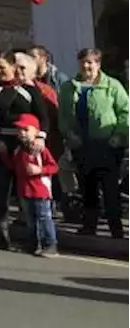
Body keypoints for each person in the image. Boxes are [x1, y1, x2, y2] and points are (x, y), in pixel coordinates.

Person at [0, 50, 49, 250]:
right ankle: (2, 237)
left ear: (13, 67)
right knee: (0, 193)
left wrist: (40, 138)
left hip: (24, 147)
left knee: (27, 196)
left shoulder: (30, 90)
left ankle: (34, 239)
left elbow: (43, 118)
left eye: (2, 67)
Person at [58, 47, 130, 239]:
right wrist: (69, 134)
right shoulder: (68, 87)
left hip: (108, 145)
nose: (86, 65)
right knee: (87, 187)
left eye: (90, 62)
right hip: (82, 145)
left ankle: (116, 229)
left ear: (98, 64)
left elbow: (125, 112)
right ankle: (89, 226)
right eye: (83, 62)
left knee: (110, 189)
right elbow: (63, 116)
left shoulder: (112, 86)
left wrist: (119, 134)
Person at [10, 113, 59, 257]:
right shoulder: (19, 150)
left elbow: (54, 167)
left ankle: (50, 244)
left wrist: (40, 170)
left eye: (26, 130)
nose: (22, 133)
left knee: (44, 218)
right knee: (30, 220)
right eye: (19, 130)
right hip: (25, 190)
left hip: (40, 190)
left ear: (36, 132)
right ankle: (32, 244)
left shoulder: (41, 150)